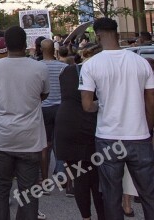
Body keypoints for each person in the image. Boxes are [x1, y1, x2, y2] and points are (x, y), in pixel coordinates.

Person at [79, 17, 154, 219]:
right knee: (149, 194)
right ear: (118, 35)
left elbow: (87, 105)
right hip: (139, 135)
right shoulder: (142, 63)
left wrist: (101, 104)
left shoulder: (90, 65)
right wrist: (148, 129)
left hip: (108, 137)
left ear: (97, 36)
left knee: (111, 195)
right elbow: (151, 101)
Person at [0, 25, 49, 220]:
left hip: (2, 137)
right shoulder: (39, 67)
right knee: (29, 192)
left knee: (1, 190)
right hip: (30, 139)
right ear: (25, 44)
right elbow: (43, 94)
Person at [56, 42, 105, 220]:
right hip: (88, 126)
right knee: (98, 180)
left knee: (80, 178)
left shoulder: (67, 71)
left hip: (66, 127)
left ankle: (86, 217)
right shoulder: (98, 72)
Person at [40, 38, 66, 184]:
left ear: (42, 50)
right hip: (60, 108)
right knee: (60, 142)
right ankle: (62, 173)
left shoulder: (37, 67)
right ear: (54, 50)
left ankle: (44, 179)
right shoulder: (63, 67)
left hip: (44, 108)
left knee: (45, 144)